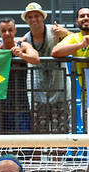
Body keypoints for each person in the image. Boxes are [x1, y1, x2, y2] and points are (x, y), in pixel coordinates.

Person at [0, 18, 40, 134]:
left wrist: (22, 55)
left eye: (10, 30)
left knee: (22, 148)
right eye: (3, 30)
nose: (7, 33)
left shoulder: (23, 46)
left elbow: (36, 59)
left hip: (20, 104)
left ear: (15, 31)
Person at [21, 3, 70, 136]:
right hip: (39, 93)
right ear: (26, 20)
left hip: (61, 92)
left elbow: (75, 40)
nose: (33, 19)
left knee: (61, 137)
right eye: (30, 17)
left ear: (42, 17)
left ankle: (58, 158)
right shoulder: (26, 39)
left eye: (36, 15)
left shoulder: (54, 31)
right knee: (37, 137)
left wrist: (66, 33)